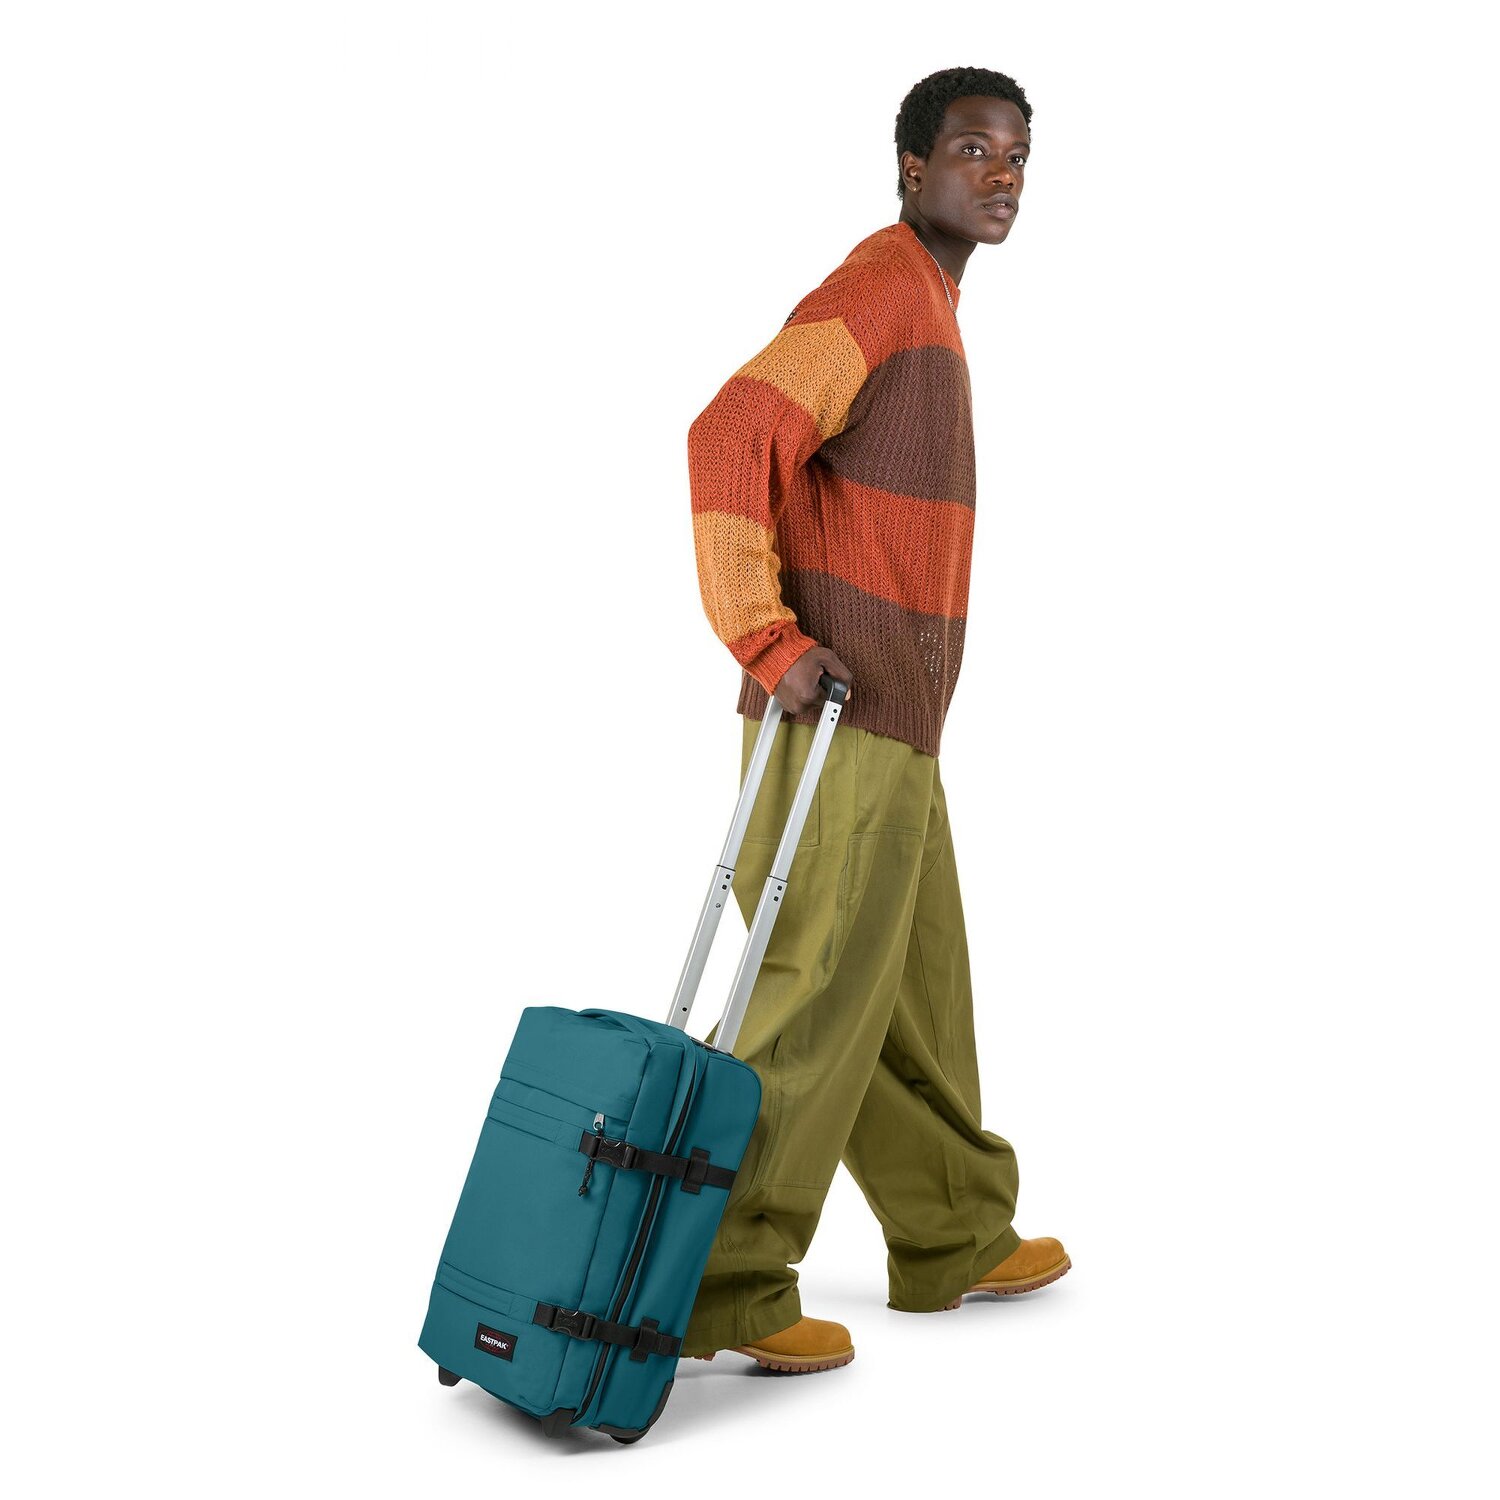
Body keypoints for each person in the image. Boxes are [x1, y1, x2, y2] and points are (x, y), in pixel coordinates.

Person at [682, 66, 1069, 1374]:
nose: (1001, 176)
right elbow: (729, 432)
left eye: (1018, 157)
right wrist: (767, 638)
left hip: (898, 733)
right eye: (973, 151)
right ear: (914, 168)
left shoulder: (930, 305)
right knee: (813, 1002)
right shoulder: (883, 289)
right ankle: (724, 1283)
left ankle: (951, 1228)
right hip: (833, 733)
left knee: (916, 999)